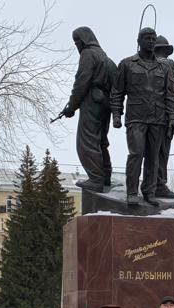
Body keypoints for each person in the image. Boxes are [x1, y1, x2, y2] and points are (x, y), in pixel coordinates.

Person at [110, 27, 174, 206]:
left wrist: (173, 118)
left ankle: (149, 191)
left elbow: (170, 95)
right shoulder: (127, 64)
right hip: (136, 118)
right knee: (136, 154)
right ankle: (132, 191)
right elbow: (117, 92)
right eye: (147, 38)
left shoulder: (164, 68)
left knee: (153, 157)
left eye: (153, 39)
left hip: (158, 119)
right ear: (139, 41)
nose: (150, 41)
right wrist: (116, 115)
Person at [59, 26, 116, 194]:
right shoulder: (107, 59)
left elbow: (82, 81)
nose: (76, 45)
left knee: (87, 142)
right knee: (101, 141)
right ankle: (105, 175)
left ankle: (96, 178)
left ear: (82, 41)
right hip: (106, 104)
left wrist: (72, 106)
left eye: (76, 41)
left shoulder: (88, 54)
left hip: (91, 102)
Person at [153, 35, 174, 199]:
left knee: (153, 153)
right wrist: (173, 117)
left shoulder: (149, 65)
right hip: (162, 118)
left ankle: (155, 183)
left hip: (154, 116)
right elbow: (173, 95)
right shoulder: (168, 64)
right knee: (160, 153)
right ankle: (158, 184)